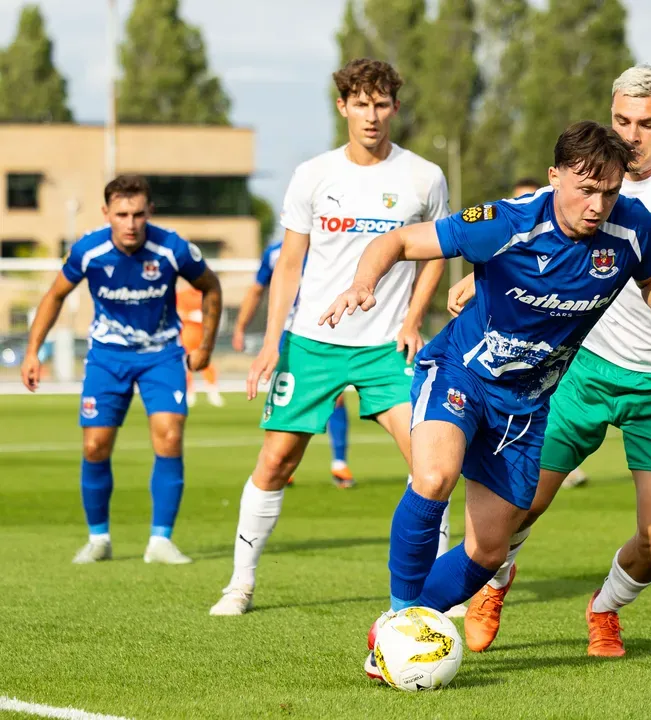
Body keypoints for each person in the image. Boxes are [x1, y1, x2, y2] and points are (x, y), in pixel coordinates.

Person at [327, 120, 651, 680]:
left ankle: (405, 624)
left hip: (525, 407)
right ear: (554, 177)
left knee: (489, 551)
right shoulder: (505, 222)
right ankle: (400, 622)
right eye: (585, 188)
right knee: (433, 478)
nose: (597, 204)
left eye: (610, 191)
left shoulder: (633, 227)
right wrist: (363, 282)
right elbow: (399, 240)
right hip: (461, 374)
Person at [452, 65, 651, 656]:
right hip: (582, 371)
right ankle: (493, 581)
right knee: (521, 506)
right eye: (622, 120)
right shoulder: (592, 179)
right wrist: (485, 283)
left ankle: (604, 608)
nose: (631, 134)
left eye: (647, 123)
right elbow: (529, 235)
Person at [209, 58, 449, 616]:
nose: (371, 115)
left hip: (386, 349)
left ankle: (439, 590)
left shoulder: (424, 176)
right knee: (276, 462)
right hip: (312, 341)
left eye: (381, 103)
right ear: (342, 106)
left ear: (394, 107)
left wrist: (413, 320)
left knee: (430, 465)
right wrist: (272, 342)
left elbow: (435, 255)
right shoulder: (313, 175)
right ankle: (240, 584)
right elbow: (288, 264)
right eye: (360, 104)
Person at [21, 174, 222, 565]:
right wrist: (33, 352)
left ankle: (160, 541)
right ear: (106, 213)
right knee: (95, 446)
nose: (131, 223)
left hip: (161, 355)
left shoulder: (172, 248)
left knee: (169, 437)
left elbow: (211, 287)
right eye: (122, 214)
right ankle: (99, 539)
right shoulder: (88, 251)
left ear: (150, 212)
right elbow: (55, 295)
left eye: (138, 214)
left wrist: (206, 347)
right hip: (107, 358)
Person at [231, 240, 356, 488]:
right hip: (286, 333)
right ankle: (282, 464)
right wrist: (240, 327)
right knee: (287, 394)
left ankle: (339, 464)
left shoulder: (333, 247)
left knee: (336, 396)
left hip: (324, 330)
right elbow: (257, 289)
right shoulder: (275, 252)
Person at [178, 280, 224, 407]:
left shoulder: (203, 294)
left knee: (206, 362)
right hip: (187, 334)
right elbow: (178, 313)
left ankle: (212, 390)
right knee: (186, 363)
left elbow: (213, 311)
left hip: (203, 335)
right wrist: (190, 316)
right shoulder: (182, 295)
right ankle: (189, 392)